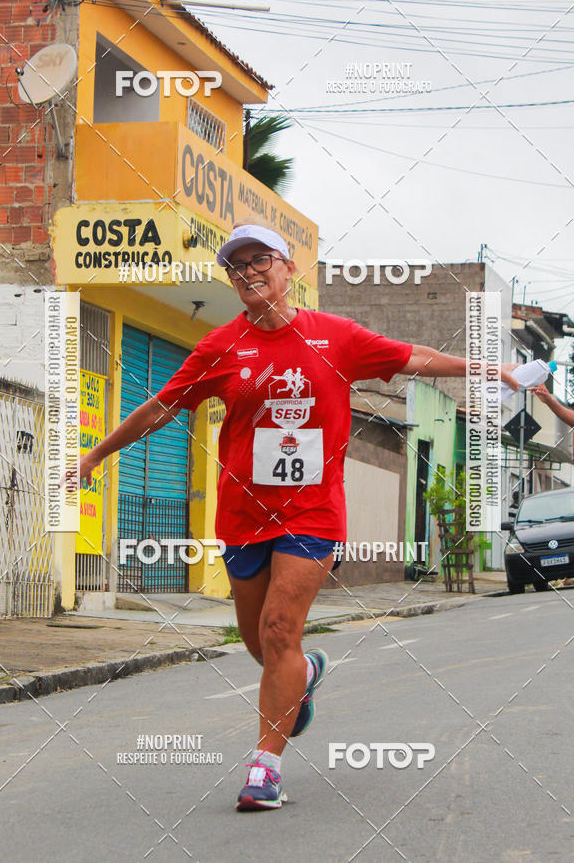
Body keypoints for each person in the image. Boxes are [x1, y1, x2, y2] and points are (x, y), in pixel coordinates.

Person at [76, 222, 519, 811]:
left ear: (288, 269)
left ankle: (265, 768)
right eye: (237, 266)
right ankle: (304, 673)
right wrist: (95, 455)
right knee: (261, 644)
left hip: (311, 514)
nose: (249, 272)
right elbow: (162, 407)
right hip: (242, 516)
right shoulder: (221, 347)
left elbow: (411, 356)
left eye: (261, 260)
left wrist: (487, 369)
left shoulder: (336, 338)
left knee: (279, 629)